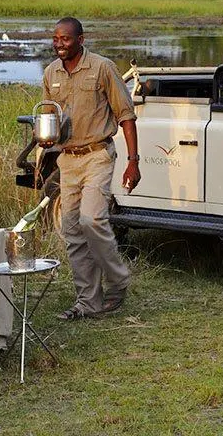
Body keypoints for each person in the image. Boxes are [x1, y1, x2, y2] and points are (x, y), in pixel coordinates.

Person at [44, 17, 140, 320]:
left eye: (66, 39)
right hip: (67, 158)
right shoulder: (50, 73)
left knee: (92, 219)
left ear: (81, 40)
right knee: (72, 229)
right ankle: (88, 301)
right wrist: (47, 139)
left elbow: (126, 115)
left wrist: (133, 162)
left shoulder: (102, 67)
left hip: (98, 155)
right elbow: (50, 116)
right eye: (56, 39)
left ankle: (118, 279)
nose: (60, 44)